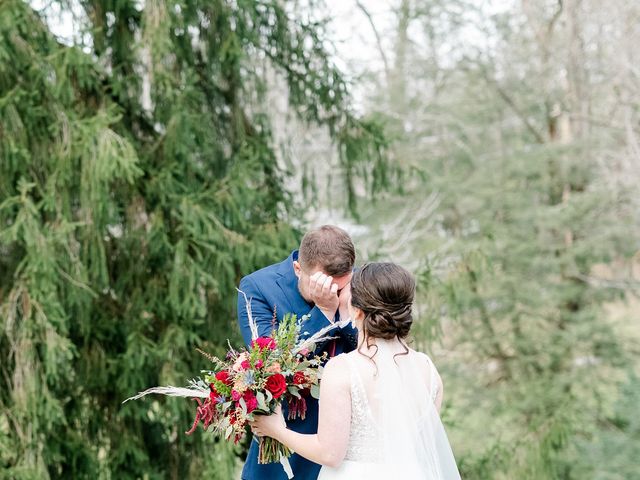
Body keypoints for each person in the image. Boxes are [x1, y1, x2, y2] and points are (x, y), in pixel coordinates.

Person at [250, 262, 461, 479]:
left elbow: (330, 453)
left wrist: (276, 430)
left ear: (356, 310)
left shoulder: (343, 369)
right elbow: (423, 446)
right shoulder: (427, 369)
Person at [237, 225, 359, 480]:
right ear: (298, 268)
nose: (332, 294)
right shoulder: (258, 288)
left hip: (350, 448)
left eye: (339, 289)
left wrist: (347, 316)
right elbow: (269, 363)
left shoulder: (361, 285)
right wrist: (325, 312)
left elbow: (374, 353)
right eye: (324, 286)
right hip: (284, 444)